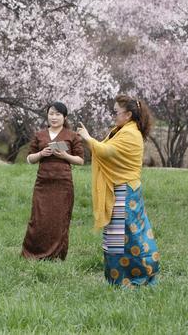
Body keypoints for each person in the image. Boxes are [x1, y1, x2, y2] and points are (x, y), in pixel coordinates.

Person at [77, 95, 160, 287]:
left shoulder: (130, 134)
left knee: (128, 237)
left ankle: (139, 277)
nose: (114, 115)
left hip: (125, 190)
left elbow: (107, 152)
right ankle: (118, 280)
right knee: (116, 237)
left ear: (128, 114)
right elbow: (107, 149)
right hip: (120, 189)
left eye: (116, 112)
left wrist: (88, 138)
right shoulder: (122, 130)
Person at [22, 102, 84, 260]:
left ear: (65, 117)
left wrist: (65, 156)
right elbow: (29, 159)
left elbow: (81, 160)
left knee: (59, 219)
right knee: (38, 218)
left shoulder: (72, 136)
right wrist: (42, 153)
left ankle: (56, 255)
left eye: (58, 114)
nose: (54, 117)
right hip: (43, 182)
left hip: (63, 184)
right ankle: (33, 254)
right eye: (51, 114)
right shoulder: (39, 135)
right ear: (47, 116)